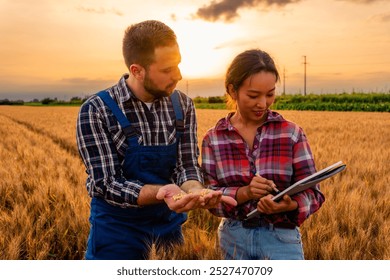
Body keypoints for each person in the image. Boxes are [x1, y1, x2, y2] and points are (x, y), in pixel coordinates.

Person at [76, 20, 235, 260]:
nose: (179, 75)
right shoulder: (96, 110)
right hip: (115, 236)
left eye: (178, 65)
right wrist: (163, 192)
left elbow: (186, 165)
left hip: (168, 232)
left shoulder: (183, 105)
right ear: (137, 70)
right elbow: (105, 183)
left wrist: (195, 190)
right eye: (167, 69)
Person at [201, 49, 325, 260]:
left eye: (270, 94)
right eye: (253, 95)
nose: (263, 103)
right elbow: (209, 197)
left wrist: (290, 204)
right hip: (233, 239)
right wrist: (246, 192)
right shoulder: (213, 139)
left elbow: (314, 193)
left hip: (282, 239)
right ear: (233, 91)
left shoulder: (291, 133)